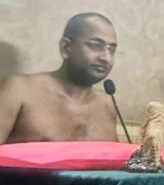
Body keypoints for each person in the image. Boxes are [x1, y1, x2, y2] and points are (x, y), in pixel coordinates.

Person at [0, 13, 118, 143]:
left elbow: (113, 155)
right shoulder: (18, 90)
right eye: (96, 45)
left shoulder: (106, 103)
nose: (106, 58)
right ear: (66, 47)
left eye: (111, 50)